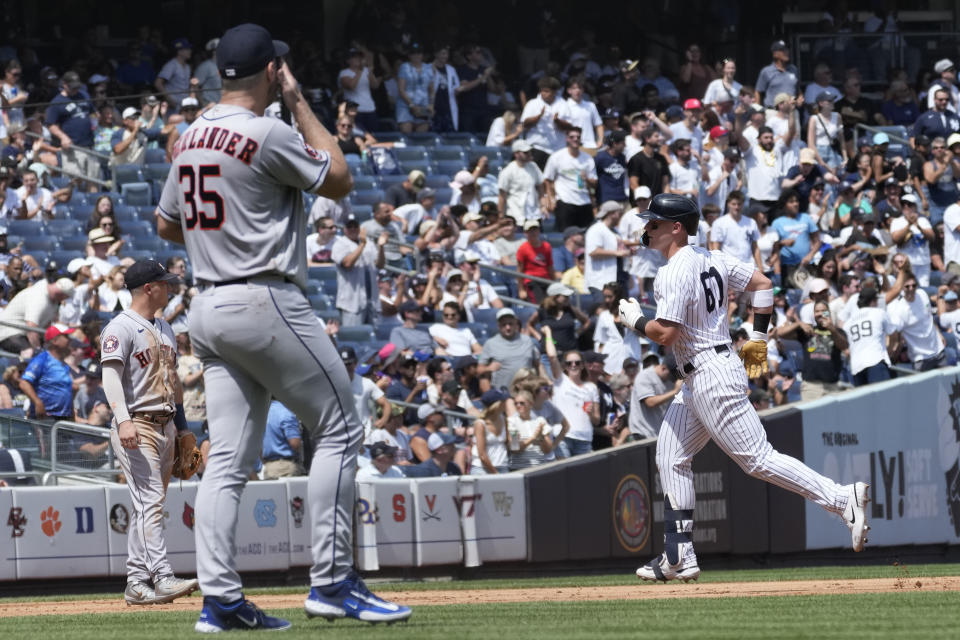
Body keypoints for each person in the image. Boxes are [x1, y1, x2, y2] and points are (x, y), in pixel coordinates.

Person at [154, 24, 410, 630]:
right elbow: (340, 179)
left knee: (228, 463)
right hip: (262, 297)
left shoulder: (191, 136)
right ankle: (333, 583)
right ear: (272, 71)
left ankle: (219, 601)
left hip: (207, 307)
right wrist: (297, 101)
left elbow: (167, 226)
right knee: (344, 428)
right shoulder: (268, 129)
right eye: (281, 70)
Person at [618, 193, 869, 583]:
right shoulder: (714, 257)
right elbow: (763, 284)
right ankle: (679, 555)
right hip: (703, 373)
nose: (647, 227)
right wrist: (757, 338)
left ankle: (841, 499)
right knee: (670, 456)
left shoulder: (671, 271)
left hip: (709, 373)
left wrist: (635, 319)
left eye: (654, 222)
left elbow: (665, 334)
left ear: (676, 227)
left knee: (757, 459)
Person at [99, 260, 199, 606]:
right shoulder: (119, 327)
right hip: (137, 422)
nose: (169, 288)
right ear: (148, 288)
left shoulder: (166, 327)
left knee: (147, 506)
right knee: (151, 499)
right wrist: (123, 419)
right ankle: (162, 575)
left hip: (167, 424)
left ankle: (137, 582)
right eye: (164, 283)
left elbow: (173, 381)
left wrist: (184, 427)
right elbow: (110, 377)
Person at [543, 327, 600, 457]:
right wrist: (548, 333)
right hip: (563, 437)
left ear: (582, 365)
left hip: (585, 439)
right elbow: (552, 356)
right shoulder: (560, 380)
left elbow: (596, 420)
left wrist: (591, 414)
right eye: (569, 363)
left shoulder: (591, 387)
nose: (573, 365)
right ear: (565, 366)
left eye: (577, 362)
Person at [0, 277, 74, 356]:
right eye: (65, 297)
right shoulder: (39, 297)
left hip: (24, 334)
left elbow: (47, 325)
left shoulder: (54, 302)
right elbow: (31, 327)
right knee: (29, 352)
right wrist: (38, 349)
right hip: (9, 332)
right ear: (61, 294)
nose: (64, 300)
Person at [888, 272, 947, 371]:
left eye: (913, 285)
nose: (911, 289)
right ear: (902, 287)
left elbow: (929, 317)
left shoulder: (922, 294)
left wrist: (939, 333)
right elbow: (897, 339)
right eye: (907, 286)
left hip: (939, 351)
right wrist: (893, 355)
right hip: (920, 359)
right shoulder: (898, 310)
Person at [543, 127, 597, 230]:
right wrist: (550, 199)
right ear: (566, 139)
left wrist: (586, 179)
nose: (575, 139)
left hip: (584, 202)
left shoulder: (588, 158)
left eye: (578, 137)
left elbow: (594, 183)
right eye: (572, 137)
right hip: (565, 202)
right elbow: (547, 179)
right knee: (565, 236)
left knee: (586, 235)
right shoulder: (557, 157)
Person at [478, 308, 540, 392]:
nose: (508, 327)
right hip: (502, 393)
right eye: (504, 324)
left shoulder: (527, 341)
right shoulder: (490, 343)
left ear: (515, 324)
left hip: (526, 392)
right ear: (498, 326)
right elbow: (479, 369)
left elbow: (538, 364)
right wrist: (489, 368)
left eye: (510, 324)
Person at [844, 287, 895, 386]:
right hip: (875, 361)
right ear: (873, 301)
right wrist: (889, 351)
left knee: (865, 401)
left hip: (856, 367)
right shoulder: (879, 313)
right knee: (884, 399)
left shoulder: (848, 323)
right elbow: (893, 334)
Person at [628, 355, 682, 440]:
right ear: (663, 368)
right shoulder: (644, 376)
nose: (671, 379)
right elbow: (650, 402)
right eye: (670, 376)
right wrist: (674, 391)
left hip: (657, 433)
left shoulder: (670, 381)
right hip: (642, 434)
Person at [498, 139, 545, 222]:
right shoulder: (508, 171)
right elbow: (502, 196)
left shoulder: (534, 166)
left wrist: (543, 206)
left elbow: (540, 187)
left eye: (529, 152)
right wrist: (501, 215)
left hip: (534, 214)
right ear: (516, 154)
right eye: (525, 153)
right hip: (516, 214)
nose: (529, 154)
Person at [507, 389, 554, 469]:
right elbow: (514, 448)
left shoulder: (540, 421)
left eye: (522, 403)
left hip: (539, 468)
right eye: (516, 403)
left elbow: (548, 450)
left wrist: (541, 438)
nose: (518, 405)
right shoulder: (512, 422)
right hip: (519, 469)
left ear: (531, 404)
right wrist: (533, 438)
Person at [470, 388, 511, 474]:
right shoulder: (480, 424)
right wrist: (495, 473)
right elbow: (482, 455)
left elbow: (508, 444)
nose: (506, 403)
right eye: (503, 401)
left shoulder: (504, 419)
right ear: (497, 405)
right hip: (482, 468)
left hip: (502, 465)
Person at [261, 400, 304, 479]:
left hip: (268, 467)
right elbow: (295, 443)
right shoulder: (285, 412)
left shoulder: (262, 412)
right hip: (286, 468)